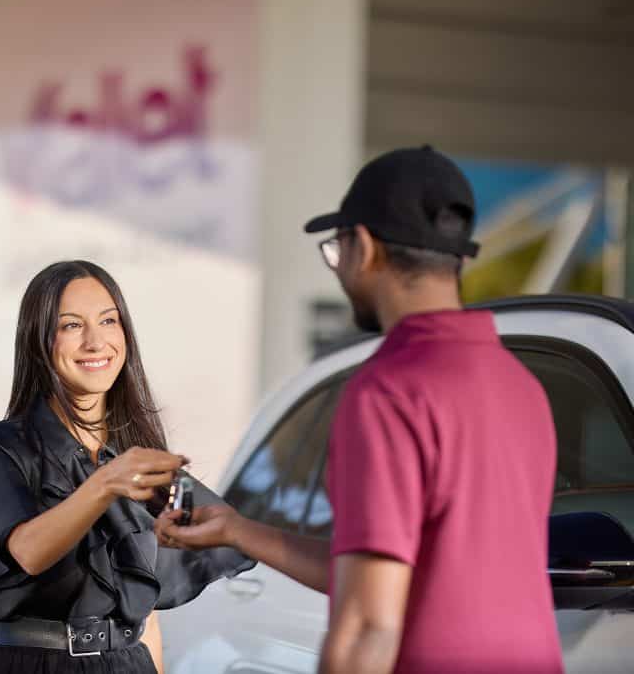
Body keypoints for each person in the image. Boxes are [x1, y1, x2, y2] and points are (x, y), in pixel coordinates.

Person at [156, 147, 564, 673]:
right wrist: (238, 531)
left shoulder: (389, 391)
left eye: (335, 248)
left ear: (363, 247)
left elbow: (368, 625)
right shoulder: (524, 386)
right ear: (457, 260)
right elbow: (389, 571)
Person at [0, 260, 253, 674]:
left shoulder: (137, 456)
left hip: (126, 663)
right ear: (39, 341)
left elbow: (146, 614)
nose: (96, 341)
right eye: (72, 325)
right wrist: (104, 484)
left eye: (109, 321)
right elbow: (28, 552)